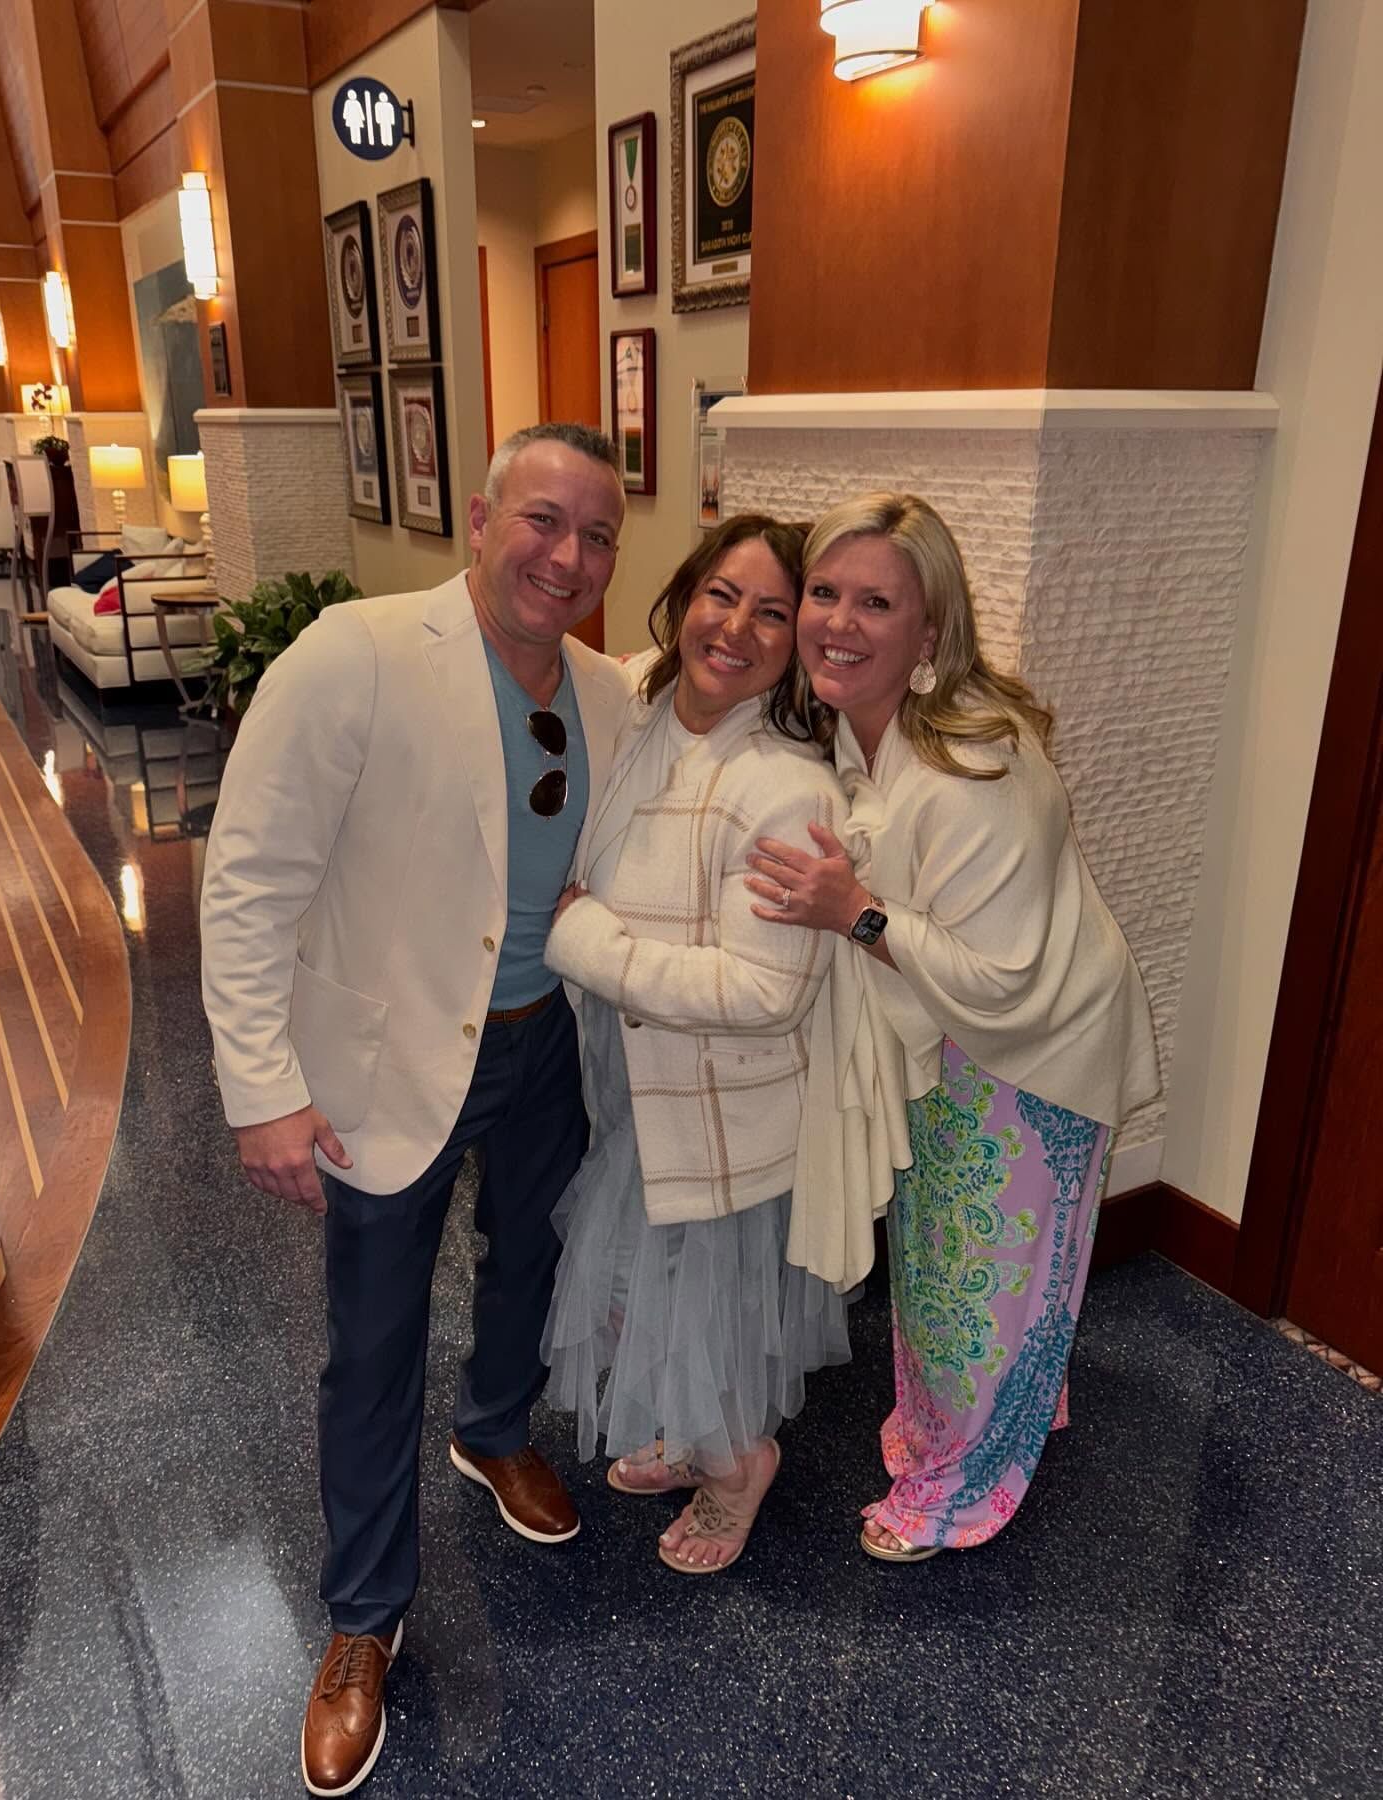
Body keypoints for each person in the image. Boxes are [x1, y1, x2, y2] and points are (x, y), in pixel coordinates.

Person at [199, 423, 632, 1798]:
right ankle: (363, 1617)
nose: (566, 557)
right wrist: (263, 1088)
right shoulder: (357, 654)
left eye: (598, 536)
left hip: (541, 1042)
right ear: (484, 520)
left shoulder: (613, 695)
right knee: (373, 1342)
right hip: (385, 1064)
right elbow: (251, 875)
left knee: (533, 1263)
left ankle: (496, 1429)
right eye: (543, 521)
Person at [745, 492, 1159, 1564]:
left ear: (930, 633)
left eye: (875, 601)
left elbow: (1003, 973)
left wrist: (856, 913)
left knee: (981, 1274)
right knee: (948, 1261)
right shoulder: (859, 729)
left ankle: (962, 1486)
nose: (838, 621)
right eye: (825, 592)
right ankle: (996, 1410)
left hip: (1032, 1046)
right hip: (949, 1030)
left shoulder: (974, 766)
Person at [540, 515, 851, 1575]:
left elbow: (765, 991)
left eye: (773, 611)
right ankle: (687, 1432)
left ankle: (736, 1464)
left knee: (705, 1292)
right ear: (684, 594)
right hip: (627, 1079)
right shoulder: (633, 704)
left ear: (798, 641)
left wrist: (587, 941)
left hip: (719, 1098)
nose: (738, 626)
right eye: (723, 592)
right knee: (638, 1277)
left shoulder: (787, 786)